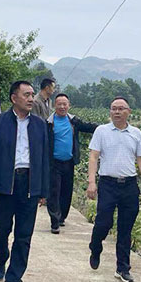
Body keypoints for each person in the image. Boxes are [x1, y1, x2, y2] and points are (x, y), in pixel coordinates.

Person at [0, 80, 49, 282]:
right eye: (26, 95)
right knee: (1, 230)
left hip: (29, 185)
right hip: (4, 185)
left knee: (24, 235)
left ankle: (14, 280)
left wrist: (43, 190)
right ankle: (0, 258)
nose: (31, 99)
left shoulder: (39, 125)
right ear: (13, 98)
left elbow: (45, 159)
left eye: (32, 95)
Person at [86, 97, 141, 282]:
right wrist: (91, 182)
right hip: (108, 183)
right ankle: (95, 246)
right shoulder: (102, 131)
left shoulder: (136, 133)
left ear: (128, 112)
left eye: (121, 108)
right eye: (113, 108)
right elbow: (93, 156)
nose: (117, 112)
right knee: (103, 222)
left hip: (129, 185)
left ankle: (123, 268)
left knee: (125, 228)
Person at [46, 93, 98, 234]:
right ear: (54, 105)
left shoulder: (73, 121)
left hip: (69, 163)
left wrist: (106, 128)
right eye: (59, 104)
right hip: (54, 163)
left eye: (65, 104)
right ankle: (54, 221)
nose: (62, 107)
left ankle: (62, 217)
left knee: (66, 191)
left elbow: (89, 127)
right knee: (54, 192)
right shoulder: (49, 123)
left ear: (69, 105)